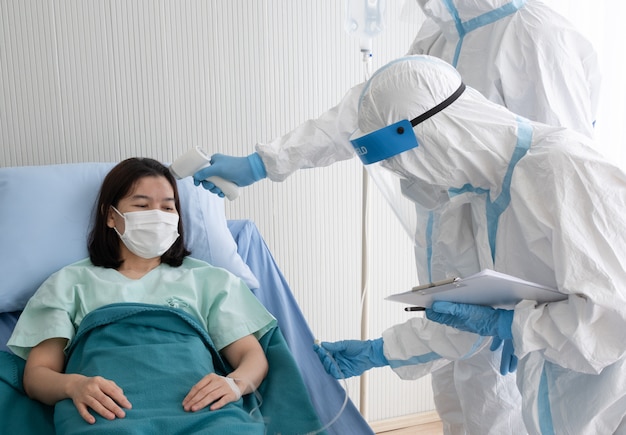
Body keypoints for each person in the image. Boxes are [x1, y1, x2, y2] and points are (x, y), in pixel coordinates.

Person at [191, 2, 600, 433]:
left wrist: (522, 320)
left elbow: (567, 206)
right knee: (458, 374)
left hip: (524, 246)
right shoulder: (440, 33)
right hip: (458, 229)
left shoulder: (534, 35)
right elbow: (371, 111)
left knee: (503, 390)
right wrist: (264, 161)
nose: (401, 171)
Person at [315, 54, 626, 434]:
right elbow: (467, 318)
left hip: (612, 400)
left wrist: (514, 323)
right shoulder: (476, 200)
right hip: (559, 398)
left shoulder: (564, 169)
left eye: (404, 164)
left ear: (433, 137)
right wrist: (378, 352)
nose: (408, 179)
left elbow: (614, 318)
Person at [7, 158, 277, 433]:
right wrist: (74, 385)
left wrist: (234, 384)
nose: (157, 215)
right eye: (141, 205)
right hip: (107, 413)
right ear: (111, 216)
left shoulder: (211, 280)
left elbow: (252, 357)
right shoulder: (68, 283)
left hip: (204, 412)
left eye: (168, 207)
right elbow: (37, 375)